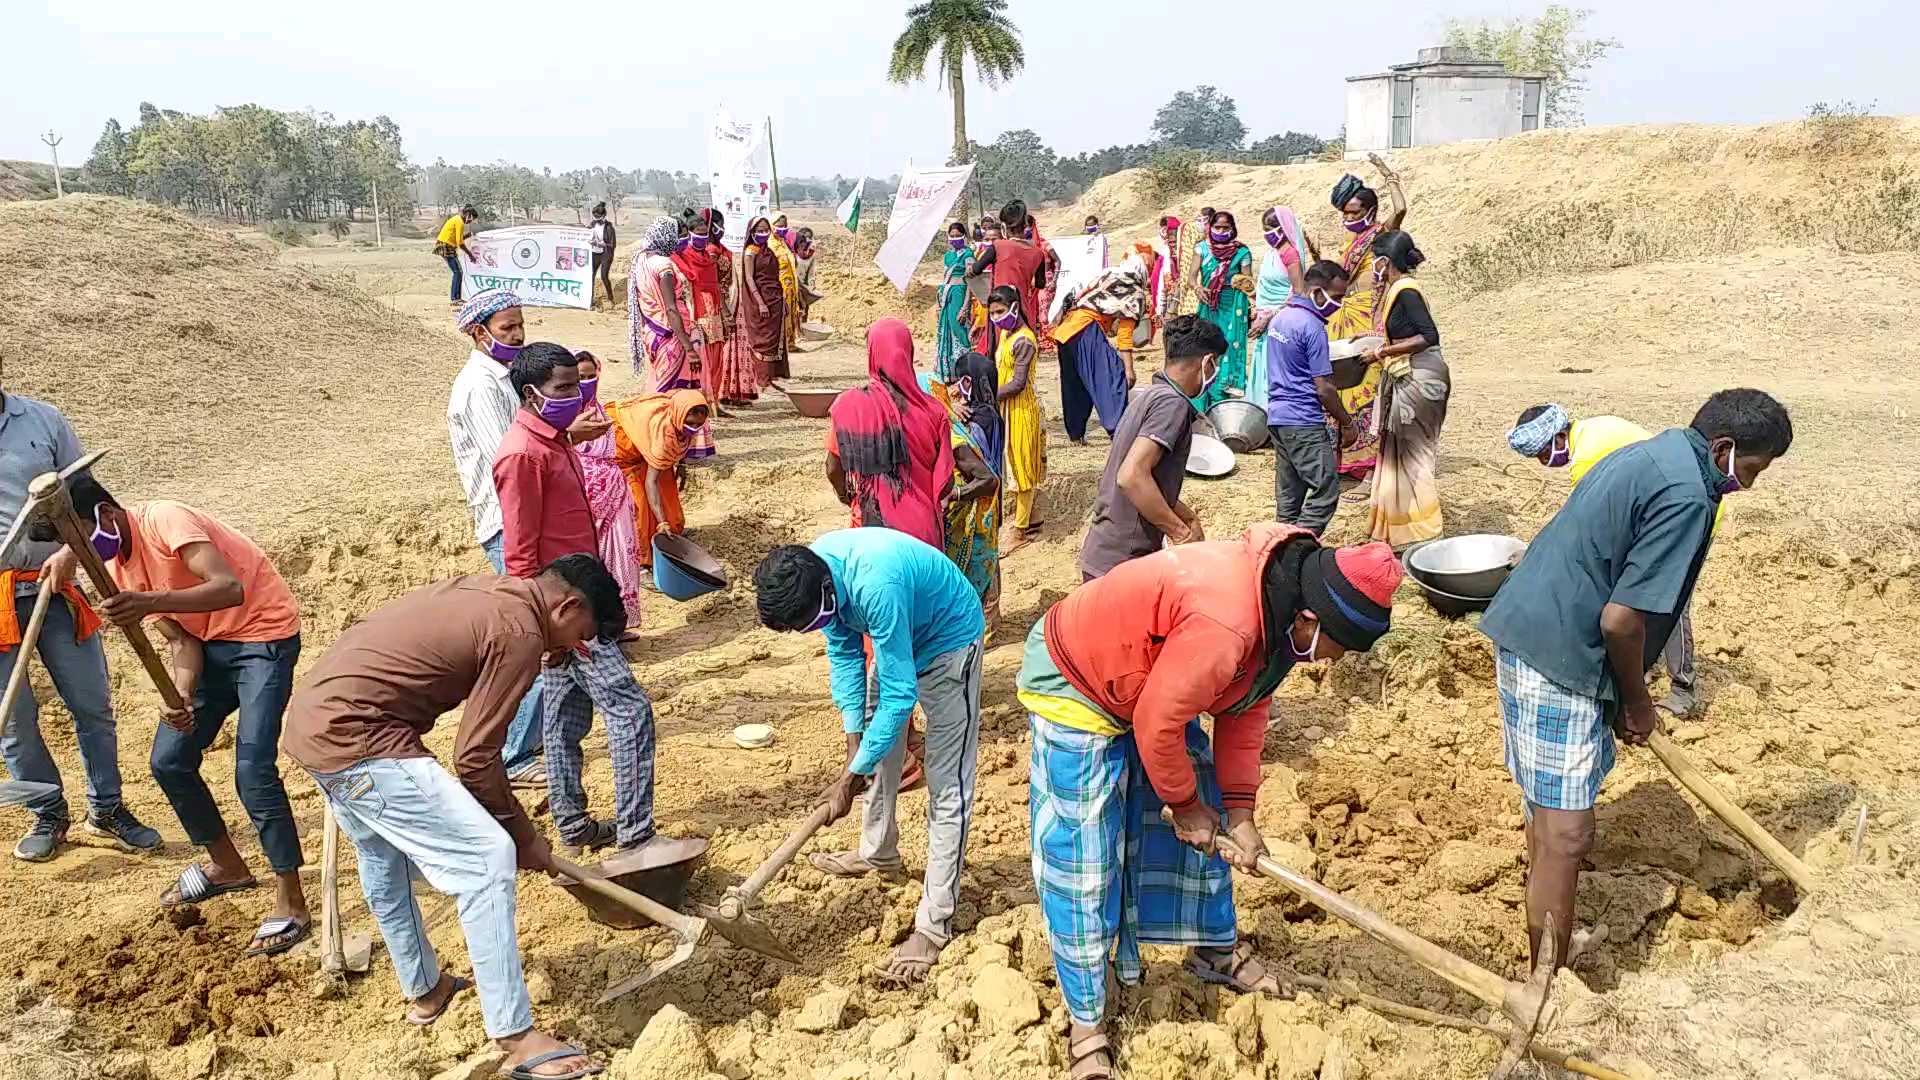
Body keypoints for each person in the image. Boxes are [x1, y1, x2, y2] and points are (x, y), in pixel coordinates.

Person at [1020, 526, 1404, 1079]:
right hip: (1078, 674)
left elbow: (1245, 709)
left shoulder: (1283, 611)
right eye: (1333, 651)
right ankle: (1086, 1017)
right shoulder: (1229, 622)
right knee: (1085, 854)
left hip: (1150, 679)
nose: (1326, 664)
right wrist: (1184, 805)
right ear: (1311, 621)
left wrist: (1240, 815)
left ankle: (1211, 949)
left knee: (1211, 807)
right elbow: (1158, 723)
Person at [1480, 389, 1791, 978]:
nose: (1748, 486)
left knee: (1549, 814)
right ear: (1724, 449)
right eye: (1751, 470)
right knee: (1568, 834)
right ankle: (1548, 981)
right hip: (1561, 655)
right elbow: (1621, 621)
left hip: (1529, 630)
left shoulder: (1657, 451)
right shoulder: (1687, 495)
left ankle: (1546, 923)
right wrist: (1637, 702)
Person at [283, 557, 622, 1078]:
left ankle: (426, 990)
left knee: (385, 860)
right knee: (487, 858)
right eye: (583, 634)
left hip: (313, 725)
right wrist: (523, 835)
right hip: (361, 738)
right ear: (569, 605)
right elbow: (476, 756)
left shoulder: (497, 594)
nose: (575, 648)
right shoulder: (522, 633)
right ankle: (516, 1036)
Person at [43, 477, 306, 952]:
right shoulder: (115, 572)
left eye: (80, 535)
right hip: (208, 648)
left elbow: (228, 589)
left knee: (253, 771)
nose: (79, 550)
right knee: (169, 759)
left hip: (263, 638)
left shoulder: (165, 518)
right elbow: (182, 640)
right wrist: (181, 695)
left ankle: (292, 901)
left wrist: (148, 602)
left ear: (105, 513)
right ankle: (227, 866)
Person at [492, 343, 703, 869]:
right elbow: (519, 555)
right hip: (566, 615)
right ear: (530, 394)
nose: (573, 396)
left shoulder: (550, 440)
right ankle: (635, 834)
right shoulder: (522, 455)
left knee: (563, 720)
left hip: (575, 604)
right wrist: (545, 628)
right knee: (630, 712)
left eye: (577, 385)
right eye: (563, 389)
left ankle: (572, 825)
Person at [752, 530, 986, 984]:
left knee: (947, 783)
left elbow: (900, 699)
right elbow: (844, 655)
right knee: (878, 758)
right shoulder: (817, 576)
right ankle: (878, 854)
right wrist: (853, 746)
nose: (816, 629)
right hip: (897, 637)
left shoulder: (874, 583)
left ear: (825, 590)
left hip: (949, 641)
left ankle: (934, 926)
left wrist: (848, 778)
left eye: (812, 621)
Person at [0, 396, 159, 863]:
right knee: (14, 721)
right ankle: (47, 814)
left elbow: (88, 497)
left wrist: (72, 551)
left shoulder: (43, 420)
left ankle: (107, 809)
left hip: (55, 587)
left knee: (92, 704)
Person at [449, 290, 592, 787]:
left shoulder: (507, 379)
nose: (517, 335)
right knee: (529, 638)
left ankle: (540, 740)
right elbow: (510, 457)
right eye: (507, 328)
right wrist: (569, 437)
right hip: (510, 520)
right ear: (478, 331)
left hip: (527, 515)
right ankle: (513, 752)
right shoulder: (480, 389)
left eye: (520, 325)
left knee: (548, 643)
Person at [1506, 404, 1721, 719]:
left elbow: (1585, 524)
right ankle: (1638, 667)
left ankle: (1682, 689)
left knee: (1669, 605)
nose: (1544, 463)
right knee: (1637, 602)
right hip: (1653, 518)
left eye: (1543, 455)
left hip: (1687, 516)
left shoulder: (1590, 455)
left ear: (1560, 435)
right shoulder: (1593, 431)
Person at [1078, 316, 1225, 581]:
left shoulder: (1149, 395)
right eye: (1216, 365)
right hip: (1123, 563)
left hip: (1105, 553)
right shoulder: (1172, 405)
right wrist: (1179, 533)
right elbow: (1131, 476)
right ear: (1207, 363)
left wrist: (1186, 515)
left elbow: (1149, 478)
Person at [824, 318, 954, 548]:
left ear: (872, 354)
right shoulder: (935, 411)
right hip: (923, 535)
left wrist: (846, 495)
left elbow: (833, 468)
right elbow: (946, 482)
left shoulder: (850, 406)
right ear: (909, 353)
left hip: (872, 530)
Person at [1363, 231, 1450, 547]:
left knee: (1413, 454)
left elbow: (1429, 335)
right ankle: (1401, 525)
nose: (1373, 266)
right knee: (1398, 449)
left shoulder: (1406, 291)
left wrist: (1383, 352)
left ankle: (1425, 530)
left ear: (1385, 262)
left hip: (1421, 379)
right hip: (1409, 375)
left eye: (1375, 260)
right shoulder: (1396, 290)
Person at [1327, 158, 1409, 481]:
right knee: (1341, 387)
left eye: (1355, 213)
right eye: (1345, 214)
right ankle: (1344, 457)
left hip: (1371, 319)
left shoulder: (1380, 236)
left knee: (1369, 387)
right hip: (1343, 318)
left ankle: (1368, 464)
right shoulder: (1349, 244)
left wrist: (1389, 177)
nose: (1349, 219)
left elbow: (1401, 209)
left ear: (1370, 212)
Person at [1265, 261, 1355, 536]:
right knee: (1326, 489)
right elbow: (1324, 387)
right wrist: (1347, 423)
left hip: (1278, 417)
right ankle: (1296, 546)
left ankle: (1278, 548)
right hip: (1303, 420)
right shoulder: (1312, 326)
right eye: (1337, 297)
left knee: (1289, 497)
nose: (1338, 304)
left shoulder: (1281, 318)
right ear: (1317, 291)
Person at [564, 353, 644, 627]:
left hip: (616, 497)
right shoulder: (565, 417)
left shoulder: (600, 409)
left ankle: (618, 625)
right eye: (580, 377)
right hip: (587, 499)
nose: (587, 382)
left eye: (591, 376)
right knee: (591, 564)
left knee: (622, 559)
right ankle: (595, 629)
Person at [628, 217, 714, 460]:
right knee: (677, 391)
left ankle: (655, 439)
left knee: (661, 388)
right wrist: (689, 347)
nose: (682, 239)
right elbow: (671, 308)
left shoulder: (641, 260)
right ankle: (671, 445)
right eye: (680, 234)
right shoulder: (664, 266)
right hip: (673, 335)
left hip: (654, 333)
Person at [929, 355, 1003, 625]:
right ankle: (989, 617)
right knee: (988, 560)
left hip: (978, 503)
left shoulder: (965, 428)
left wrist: (956, 494)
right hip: (987, 502)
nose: (953, 390)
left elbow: (987, 477)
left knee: (981, 560)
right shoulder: (987, 412)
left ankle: (986, 621)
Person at [606, 389, 712, 576]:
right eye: (690, 423)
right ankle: (641, 559)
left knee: (668, 484)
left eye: (698, 424)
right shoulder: (663, 436)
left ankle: (672, 532)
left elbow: (685, 438)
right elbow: (651, 483)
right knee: (638, 503)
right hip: (623, 445)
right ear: (679, 416)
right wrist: (661, 522)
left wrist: (681, 464)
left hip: (647, 442)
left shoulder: (680, 414)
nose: (694, 427)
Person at [1051, 255, 1152, 444]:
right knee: (1111, 377)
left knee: (1076, 384)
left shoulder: (1107, 276)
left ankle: (1076, 433)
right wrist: (1129, 369)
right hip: (1086, 329)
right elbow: (1124, 333)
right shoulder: (1134, 291)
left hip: (1066, 329)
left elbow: (1080, 296)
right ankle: (1118, 431)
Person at [987, 286, 1047, 553]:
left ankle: (1020, 531)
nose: (996, 318)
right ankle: (1032, 518)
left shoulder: (1024, 341)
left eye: (1000, 311)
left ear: (1014, 307)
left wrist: (987, 394)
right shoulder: (1006, 334)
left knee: (1021, 468)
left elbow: (1019, 383)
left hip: (1021, 409)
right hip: (1006, 407)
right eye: (992, 313)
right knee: (1012, 461)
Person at [967, 200, 1056, 353]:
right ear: (1025, 226)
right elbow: (1040, 284)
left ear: (1004, 227)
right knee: (1021, 351)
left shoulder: (998, 246)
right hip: (1022, 309)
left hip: (999, 309)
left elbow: (976, 270)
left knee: (997, 353)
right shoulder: (1038, 253)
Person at [1194, 211, 1254, 411]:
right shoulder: (1201, 249)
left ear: (1232, 229)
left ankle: (1222, 399)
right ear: (1210, 227)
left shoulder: (1242, 252)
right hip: (1208, 304)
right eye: (1217, 227)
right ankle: (1203, 397)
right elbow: (1191, 276)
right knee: (1205, 348)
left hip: (1232, 307)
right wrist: (1197, 287)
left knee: (1228, 348)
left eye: (1225, 228)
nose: (1221, 231)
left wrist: (1243, 284)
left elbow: (1248, 283)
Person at [671, 210, 728, 417]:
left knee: (717, 358)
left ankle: (715, 404)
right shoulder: (681, 258)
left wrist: (723, 313)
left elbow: (716, 285)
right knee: (703, 361)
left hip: (714, 311)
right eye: (698, 234)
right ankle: (701, 404)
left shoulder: (709, 256)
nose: (703, 238)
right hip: (697, 314)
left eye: (706, 234)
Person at [702, 208, 758, 408]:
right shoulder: (710, 251)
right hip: (718, 304)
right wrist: (725, 310)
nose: (722, 229)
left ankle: (728, 393)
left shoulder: (720, 248)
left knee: (728, 347)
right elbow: (714, 282)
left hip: (731, 300)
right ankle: (719, 395)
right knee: (719, 350)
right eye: (719, 224)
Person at [1249, 206, 1312, 340]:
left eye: (1269, 230)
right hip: (1264, 321)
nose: (1266, 234)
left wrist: (1272, 314)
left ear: (1283, 228)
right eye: (1264, 230)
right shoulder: (1271, 254)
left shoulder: (1290, 255)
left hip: (1282, 324)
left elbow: (1298, 294)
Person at [740, 217, 790, 385]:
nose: (763, 233)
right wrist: (760, 302)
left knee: (775, 338)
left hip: (775, 298)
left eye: (766, 230)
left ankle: (772, 375)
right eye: (759, 231)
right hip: (760, 299)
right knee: (763, 339)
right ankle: (762, 378)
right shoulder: (750, 252)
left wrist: (784, 302)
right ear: (752, 232)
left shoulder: (769, 251)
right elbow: (749, 278)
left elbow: (775, 277)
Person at [936, 222, 974, 379]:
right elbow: (945, 278)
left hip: (960, 294)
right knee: (946, 331)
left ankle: (965, 370)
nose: (955, 238)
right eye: (952, 235)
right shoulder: (947, 256)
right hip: (946, 295)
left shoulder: (968, 255)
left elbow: (971, 281)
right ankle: (950, 372)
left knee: (958, 329)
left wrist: (966, 306)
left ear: (964, 236)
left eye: (959, 235)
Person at [769, 215, 803, 362]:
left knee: (791, 313)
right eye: (779, 226)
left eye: (785, 226)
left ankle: (790, 342)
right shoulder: (770, 245)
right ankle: (781, 344)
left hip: (790, 286)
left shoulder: (783, 243)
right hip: (780, 286)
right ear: (772, 226)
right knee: (782, 315)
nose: (782, 229)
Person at [435, 205, 478, 306]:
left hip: (445, 244)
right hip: (446, 246)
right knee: (457, 272)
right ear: (468, 215)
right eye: (471, 219)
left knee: (457, 271)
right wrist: (470, 255)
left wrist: (467, 235)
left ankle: (456, 298)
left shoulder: (457, 219)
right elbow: (460, 243)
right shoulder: (460, 222)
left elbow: (457, 238)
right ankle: (455, 299)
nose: (470, 222)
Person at [1151, 216, 1183, 322]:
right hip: (1168, 298)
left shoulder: (1185, 253)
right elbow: (1157, 282)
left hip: (1181, 298)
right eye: (1163, 231)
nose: (1166, 235)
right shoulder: (1163, 254)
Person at [587, 202, 617, 310]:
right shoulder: (593, 224)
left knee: (604, 276)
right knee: (590, 276)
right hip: (594, 253)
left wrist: (601, 244)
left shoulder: (609, 228)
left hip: (605, 254)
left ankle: (611, 298)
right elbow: (586, 233)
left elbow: (612, 245)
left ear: (603, 216)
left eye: (598, 217)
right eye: (594, 216)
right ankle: (589, 299)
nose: (596, 218)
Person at [793, 227, 819, 325]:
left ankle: (803, 329)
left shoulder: (811, 254)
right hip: (793, 284)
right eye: (804, 237)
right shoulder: (793, 251)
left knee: (804, 308)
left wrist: (811, 284)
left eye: (809, 237)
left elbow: (811, 272)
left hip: (804, 286)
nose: (807, 240)